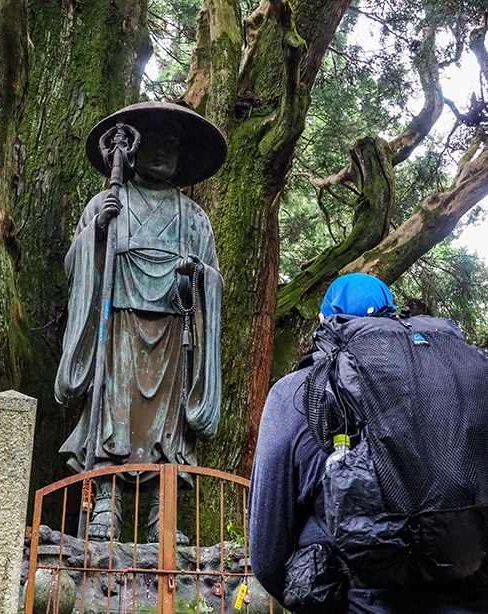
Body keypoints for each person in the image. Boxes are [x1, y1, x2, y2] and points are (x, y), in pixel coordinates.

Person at [249, 273, 488, 612]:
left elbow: (267, 553)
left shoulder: (296, 392)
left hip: (359, 601)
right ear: (394, 316)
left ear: (323, 320)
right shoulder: (461, 382)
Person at [54, 102, 225, 541]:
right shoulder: (107, 200)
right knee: (115, 418)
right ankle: (104, 511)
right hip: (118, 326)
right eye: (153, 142)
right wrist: (97, 229)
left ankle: (161, 520)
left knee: (168, 431)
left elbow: (212, 279)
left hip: (173, 332)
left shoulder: (194, 217)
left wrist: (196, 277)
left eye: (172, 144)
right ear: (131, 149)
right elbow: (76, 268)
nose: (163, 152)